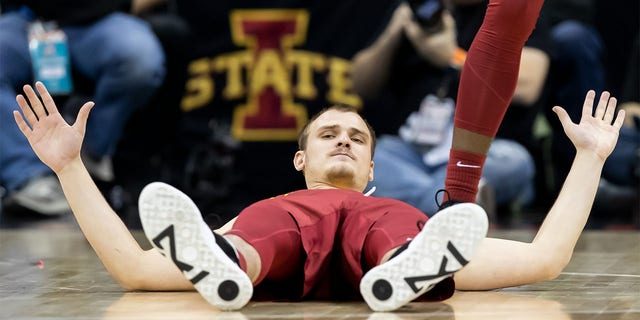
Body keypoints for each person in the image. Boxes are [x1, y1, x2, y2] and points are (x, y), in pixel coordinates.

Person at [12, 82, 625, 311]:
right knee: (264, 228)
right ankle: (228, 266)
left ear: (371, 165)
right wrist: (69, 168)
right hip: (273, 244)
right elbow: (133, 270)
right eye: (329, 134)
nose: (344, 142)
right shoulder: (273, 207)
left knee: (400, 229)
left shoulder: (392, 208)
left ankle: (402, 267)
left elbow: (546, 258)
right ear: (300, 158)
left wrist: (591, 157)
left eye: (357, 138)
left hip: (397, 242)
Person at [0, 0, 165, 215]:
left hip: (99, 20)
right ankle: (29, 176)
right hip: (27, 21)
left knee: (140, 59)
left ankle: (91, 152)